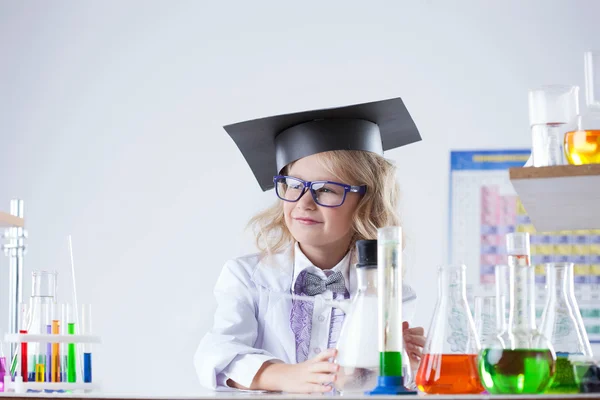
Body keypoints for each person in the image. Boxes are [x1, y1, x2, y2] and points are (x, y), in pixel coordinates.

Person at [195, 97, 425, 393]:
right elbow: (217, 353)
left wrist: (401, 363)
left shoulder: (389, 291)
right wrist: (283, 376)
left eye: (326, 189)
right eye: (293, 185)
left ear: (366, 202)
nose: (304, 203)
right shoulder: (249, 277)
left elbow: (369, 383)